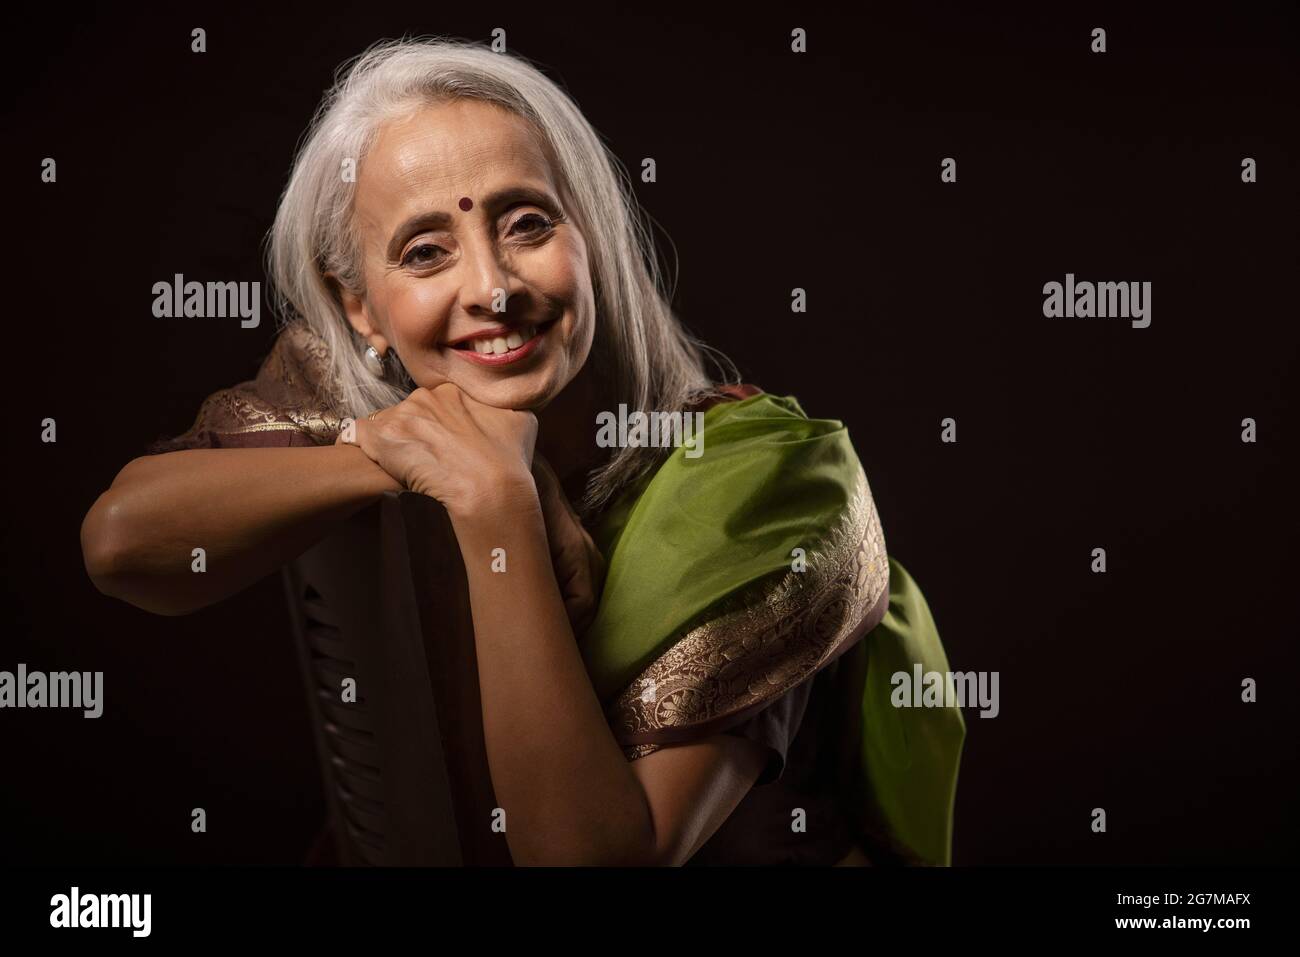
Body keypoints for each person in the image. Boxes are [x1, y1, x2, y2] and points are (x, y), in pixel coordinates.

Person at [80, 37, 964, 866]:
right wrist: (420, 457)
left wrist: (494, 501)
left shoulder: (763, 478)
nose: (492, 288)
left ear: (593, 239)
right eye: (426, 252)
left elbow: (584, 858)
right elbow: (122, 543)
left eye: (528, 224)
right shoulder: (371, 396)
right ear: (359, 309)